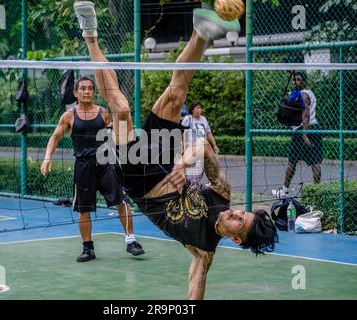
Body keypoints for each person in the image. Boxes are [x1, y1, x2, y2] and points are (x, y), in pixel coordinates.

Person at [74, 1, 277, 299]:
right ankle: (201, 33)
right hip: (168, 161)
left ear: (235, 238)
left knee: (120, 109)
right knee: (176, 93)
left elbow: (196, 285)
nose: (235, 212)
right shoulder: (222, 192)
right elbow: (202, 147)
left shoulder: (203, 248)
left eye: (239, 221)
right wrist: (181, 165)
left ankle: (90, 35)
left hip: (138, 179)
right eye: (242, 212)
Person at [40, 75, 145, 262]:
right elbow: (55, 137)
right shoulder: (68, 116)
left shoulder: (103, 113)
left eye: (90, 88)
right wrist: (47, 157)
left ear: (94, 93)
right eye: (83, 89)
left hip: (106, 164)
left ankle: (131, 242)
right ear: (75, 93)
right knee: (84, 210)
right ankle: (88, 249)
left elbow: (118, 133)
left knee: (123, 202)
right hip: (83, 167)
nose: (87, 91)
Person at [272, 72, 322, 199]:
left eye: (298, 80)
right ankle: (316, 192)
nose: (295, 82)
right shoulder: (307, 93)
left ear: (304, 82)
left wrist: (304, 134)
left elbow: (305, 114)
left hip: (303, 130)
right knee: (314, 162)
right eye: (294, 80)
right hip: (313, 128)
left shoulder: (303, 94)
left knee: (292, 162)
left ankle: (285, 191)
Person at [181, 101, 220, 183]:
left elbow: (208, 133)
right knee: (190, 170)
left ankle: (196, 187)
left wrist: (214, 145)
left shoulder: (203, 119)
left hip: (202, 149)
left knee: (199, 170)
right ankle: (189, 187)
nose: (199, 110)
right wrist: (182, 147)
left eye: (200, 108)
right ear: (192, 109)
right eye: (197, 108)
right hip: (191, 149)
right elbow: (182, 133)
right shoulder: (188, 119)